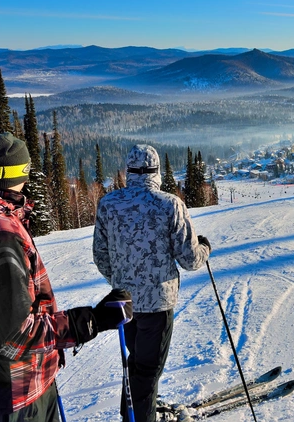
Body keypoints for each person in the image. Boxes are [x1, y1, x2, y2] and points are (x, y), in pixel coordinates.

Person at [0, 132, 133, 422]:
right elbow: (15, 336)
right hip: (14, 392)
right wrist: (93, 320)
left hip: (1, 384)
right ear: (17, 174)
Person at [93, 144, 210, 422]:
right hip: (158, 304)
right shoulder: (170, 205)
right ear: (156, 171)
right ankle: (140, 416)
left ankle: (134, 413)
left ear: (128, 170)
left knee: (136, 365)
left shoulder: (109, 204)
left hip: (124, 304)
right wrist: (205, 248)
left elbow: (100, 255)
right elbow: (190, 259)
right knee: (146, 370)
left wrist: (121, 280)